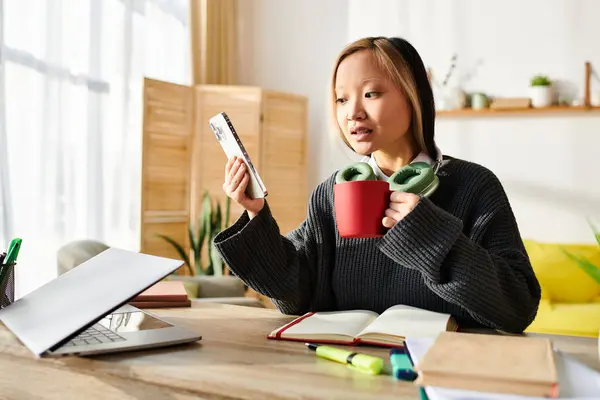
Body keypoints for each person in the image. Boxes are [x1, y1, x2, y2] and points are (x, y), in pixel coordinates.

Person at [213, 36, 541, 333]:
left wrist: (431, 236)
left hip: (442, 373)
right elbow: (295, 292)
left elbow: (518, 307)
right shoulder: (331, 193)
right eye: (341, 99)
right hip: (343, 371)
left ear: (413, 95)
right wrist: (256, 213)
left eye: (371, 94)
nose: (353, 112)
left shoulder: (474, 186)